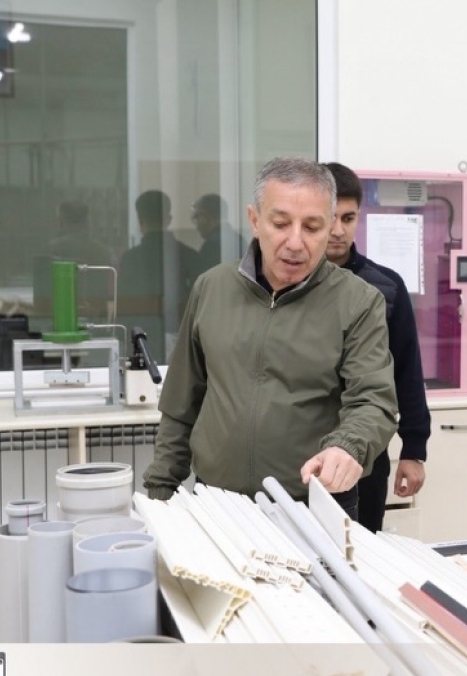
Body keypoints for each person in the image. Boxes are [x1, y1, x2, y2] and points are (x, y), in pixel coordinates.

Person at [143, 157, 398, 519]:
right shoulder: (211, 288)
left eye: (312, 227)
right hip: (217, 503)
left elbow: (373, 400)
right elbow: (181, 403)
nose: (295, 242)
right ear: (255, 220)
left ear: (330, 228)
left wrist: (347, 447)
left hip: (311, 507)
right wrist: (160, 491)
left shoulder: (358, 301)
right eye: (280, 224)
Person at [323, 162, 431, 532]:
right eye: (330, 217)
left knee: (361, 551)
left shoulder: (385, 286)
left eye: (348, 218)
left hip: (367, 458)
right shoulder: (289, 285)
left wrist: (413, 450)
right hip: (300, 455)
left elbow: (407, 372)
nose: (338, 230)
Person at [118, 190, 201, 362]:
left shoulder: (130, 259)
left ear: (140, 220)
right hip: (182, 338)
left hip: (139, 341)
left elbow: (124, 305)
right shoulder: (189, 255)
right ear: (168, 219)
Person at [192, 194, 241, 272]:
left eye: (196, 217)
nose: (196, 224)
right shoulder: (238, 240)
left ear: (206, 218)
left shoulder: (211, 246)